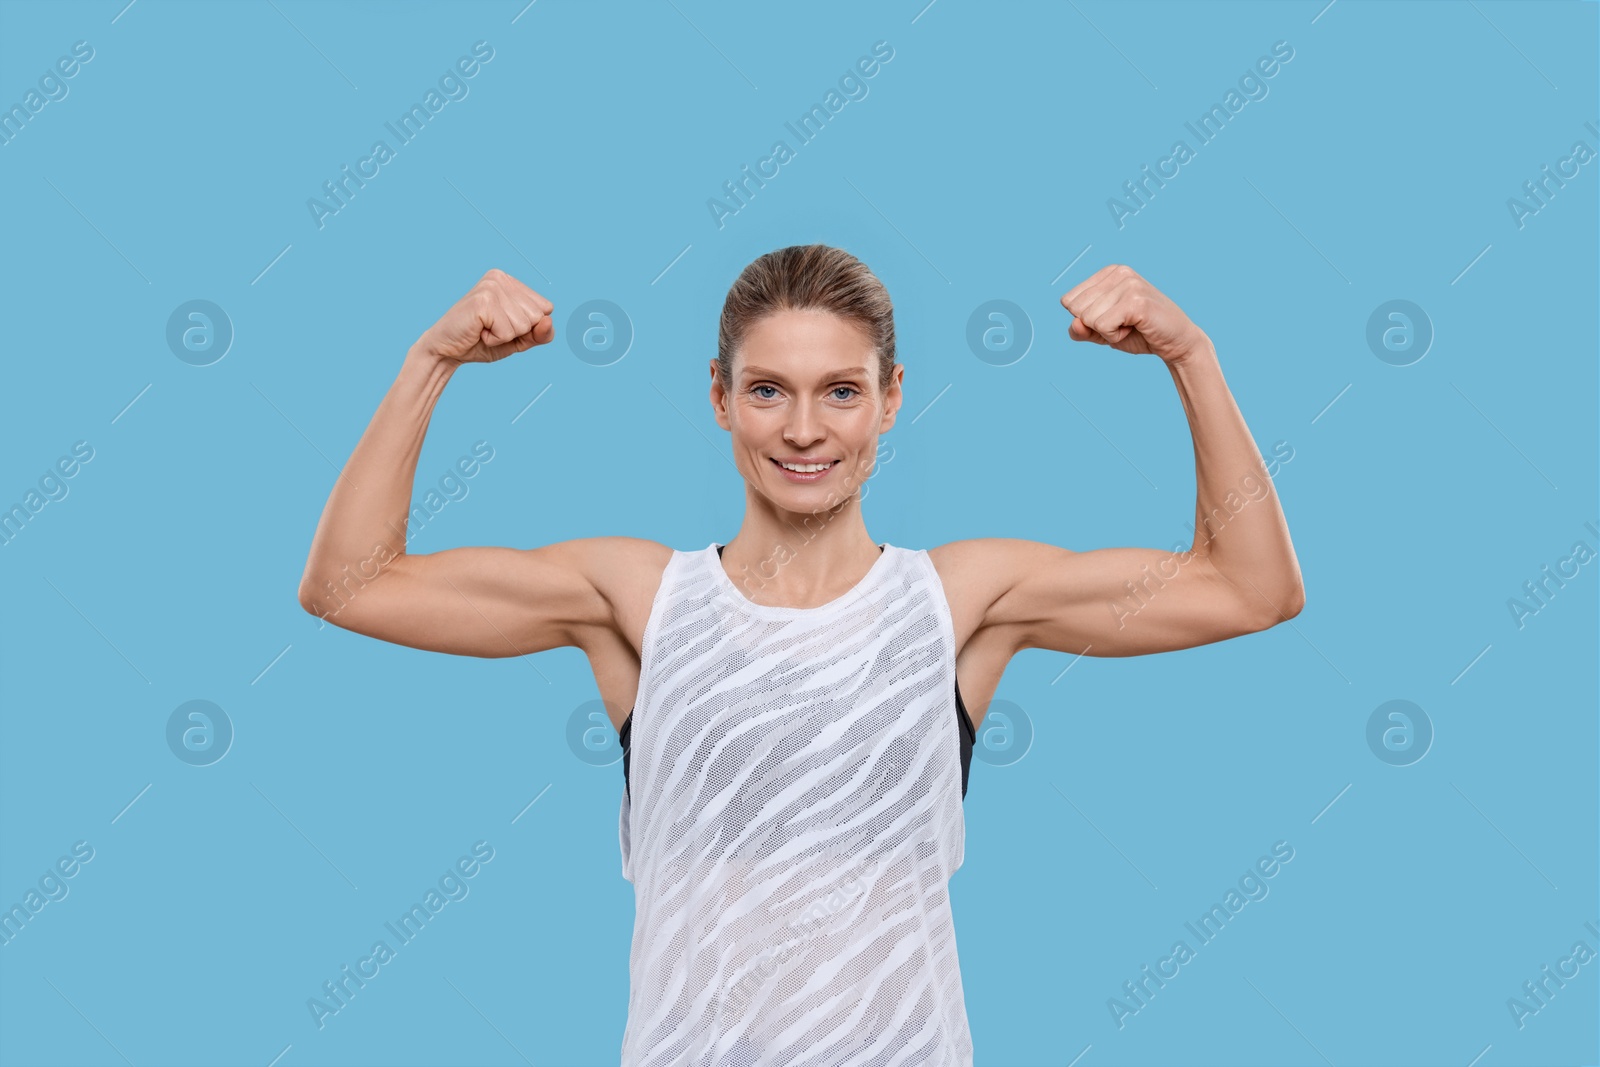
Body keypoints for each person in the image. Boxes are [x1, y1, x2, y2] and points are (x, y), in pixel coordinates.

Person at [297, 244, 1304, 1065]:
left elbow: (1248, 588)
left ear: (892, 396)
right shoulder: (640, 599)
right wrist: (430, 361)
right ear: (719, 397)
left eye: (841, 391)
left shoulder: (957, 601)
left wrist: (1192, 354)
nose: (805, 428)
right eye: (769, 390)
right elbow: (349, 582)